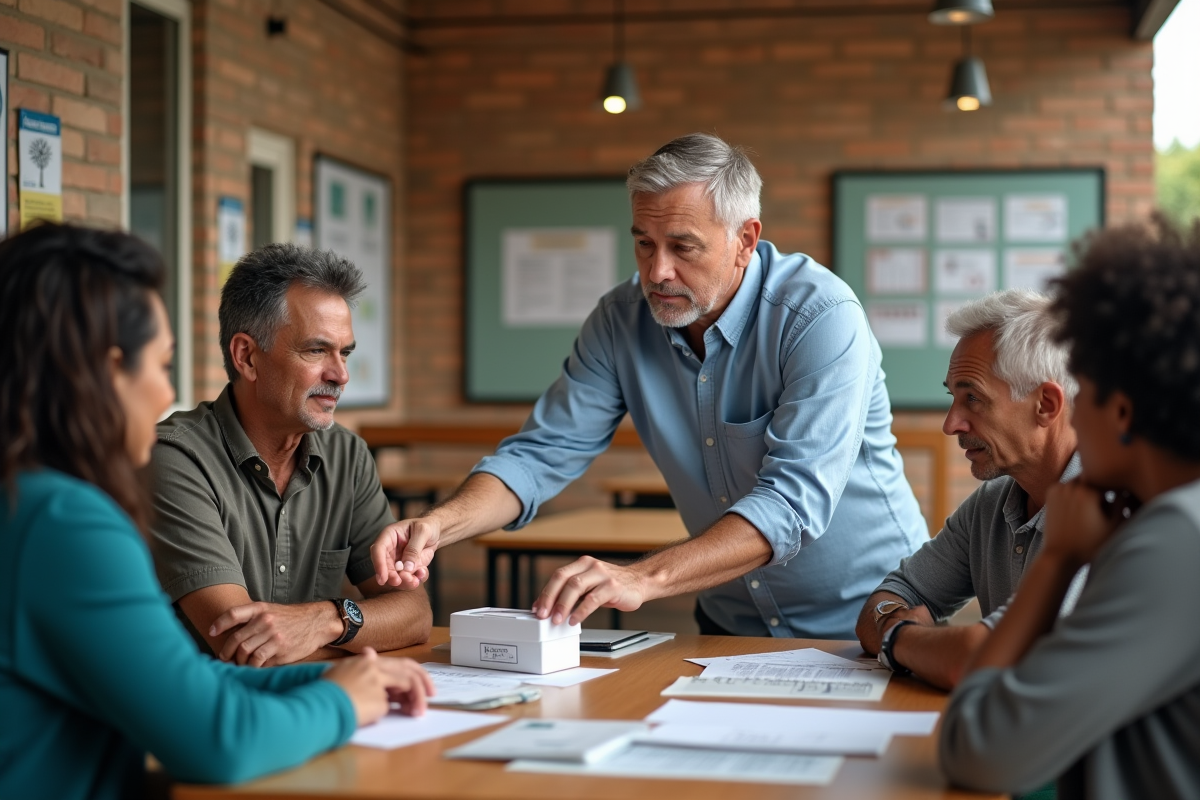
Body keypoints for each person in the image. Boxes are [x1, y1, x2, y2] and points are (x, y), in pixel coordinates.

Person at [372, 132, 928, 638]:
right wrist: (438, 525)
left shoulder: (819, 315)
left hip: (870, 615)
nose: (657, 271)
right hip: (733, 619)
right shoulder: (620, 319)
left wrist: (642, 577)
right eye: (644, 244)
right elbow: (539, 456)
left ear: (744, 239)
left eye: (683, 247)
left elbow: (792, 502)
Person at [0, 224, 434, 800]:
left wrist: (337, 670)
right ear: (107, 374)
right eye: (159, 367)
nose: (164, 394)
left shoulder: (28, 500)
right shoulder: (65, 522)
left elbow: (180, 678)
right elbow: (215, 736)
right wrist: (339, 700)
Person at [940, 215, 1200, 799]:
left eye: (1083, 391)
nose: (1074, 418)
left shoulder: (1174, 541)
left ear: (1124, 411)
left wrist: (1057, 559)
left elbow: (978, 749)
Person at [149, 244, 431, 667]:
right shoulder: (174, 460)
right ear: (246, 356)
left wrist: (326, 620)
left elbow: (414, 614)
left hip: (310, 702)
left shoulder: (346, 455)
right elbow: (240, 645)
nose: (340, 374)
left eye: (345, 352)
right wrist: (362, 630)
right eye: (316, 351)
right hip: (199, 717)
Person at [855, 290, 1087, 689]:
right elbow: (892, 595)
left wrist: (896, 637)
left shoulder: (1112, 512)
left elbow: (979, 658)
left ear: (1046, 404)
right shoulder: (992, 502)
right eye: (953, 398)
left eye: (973, 399)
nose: (951, 424)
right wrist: (897, 622)